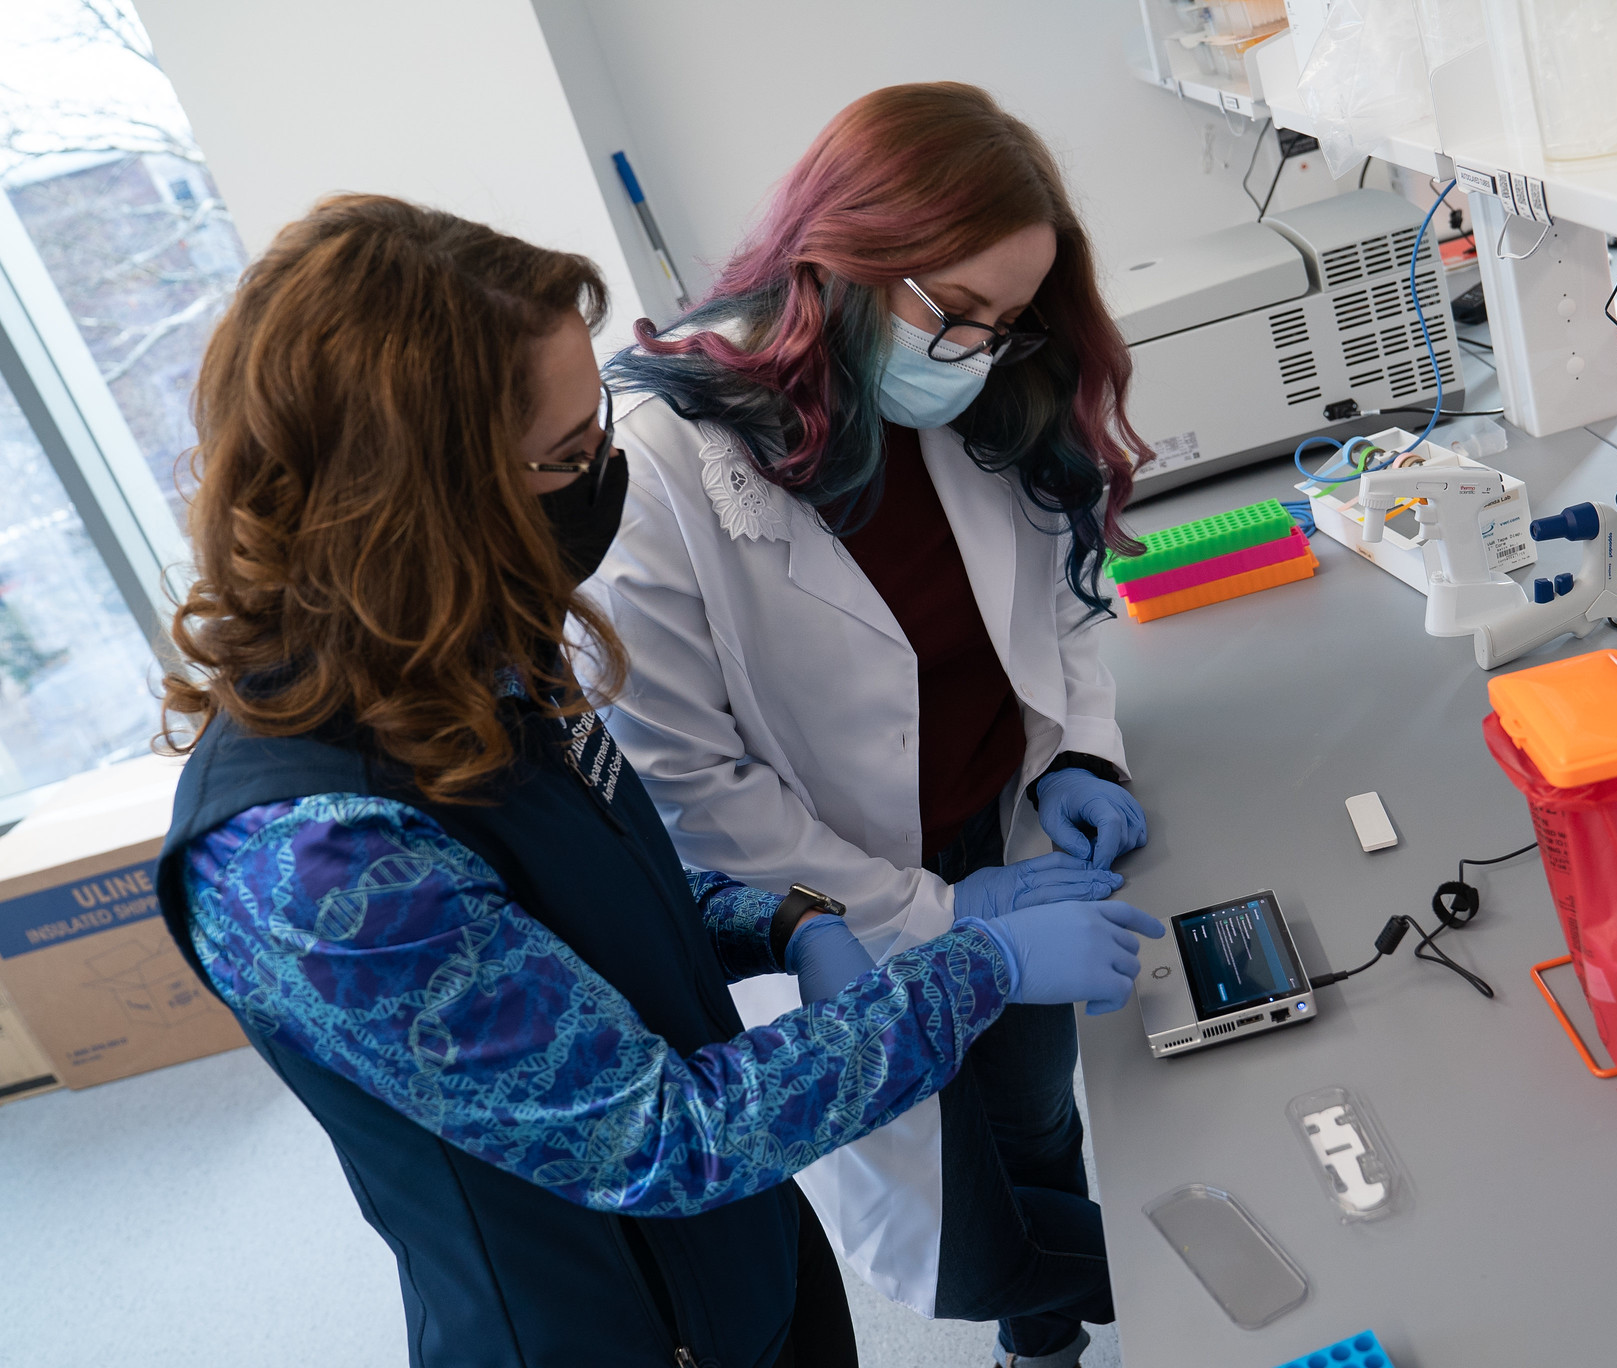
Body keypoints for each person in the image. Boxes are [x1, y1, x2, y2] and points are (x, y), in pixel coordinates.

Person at [151, 193, 1162, 1368]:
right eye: (570, 455)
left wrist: (780, 919)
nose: (607, 480)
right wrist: (970, 966)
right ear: (413, 489)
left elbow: (586, 901)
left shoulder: (473, 663)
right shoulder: (306, 859)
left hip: (741, 1266)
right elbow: (661, 1138)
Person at [598, 83, 1155, 1368]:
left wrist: (1078, 748)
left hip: (1006, 831)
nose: (973, 350)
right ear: (842, 254)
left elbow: (1061, 605)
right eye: (953, 312)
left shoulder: (985, 397)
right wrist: (930, 917)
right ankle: (1034, 1323)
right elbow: (688, 780)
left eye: (1005, 324)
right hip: (831, 884)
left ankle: (1051, 1345)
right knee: (946, 1177)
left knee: (1033, 1118)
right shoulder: (665, 464)